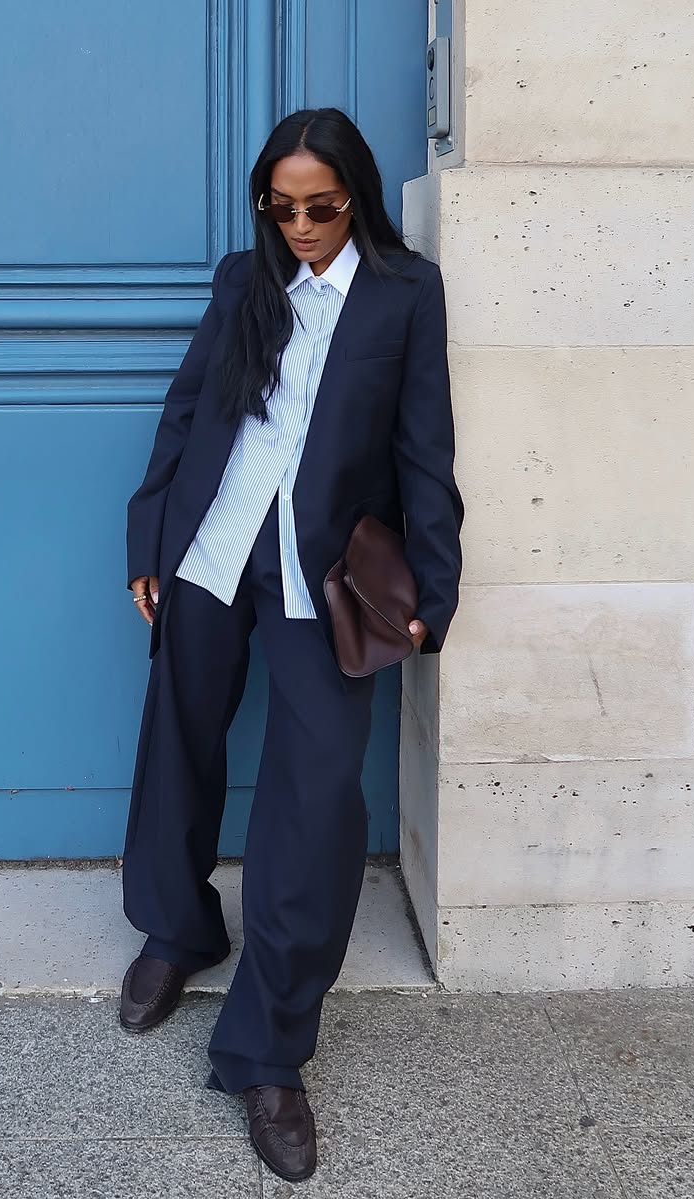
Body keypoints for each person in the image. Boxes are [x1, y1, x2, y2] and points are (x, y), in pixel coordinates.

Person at [118, 106, 465, 1182]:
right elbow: (186, 413)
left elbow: (425, 447)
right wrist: (150, 539)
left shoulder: (405, 293)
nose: (302, 226)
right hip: (213, 545)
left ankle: (268, 1050)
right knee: (180, 739)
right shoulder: (245, 280)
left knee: (315, 801)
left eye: (322, 206)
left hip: (325, 574)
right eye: (283, 207)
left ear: (355, 195)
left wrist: (435, 588)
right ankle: (179, 928)